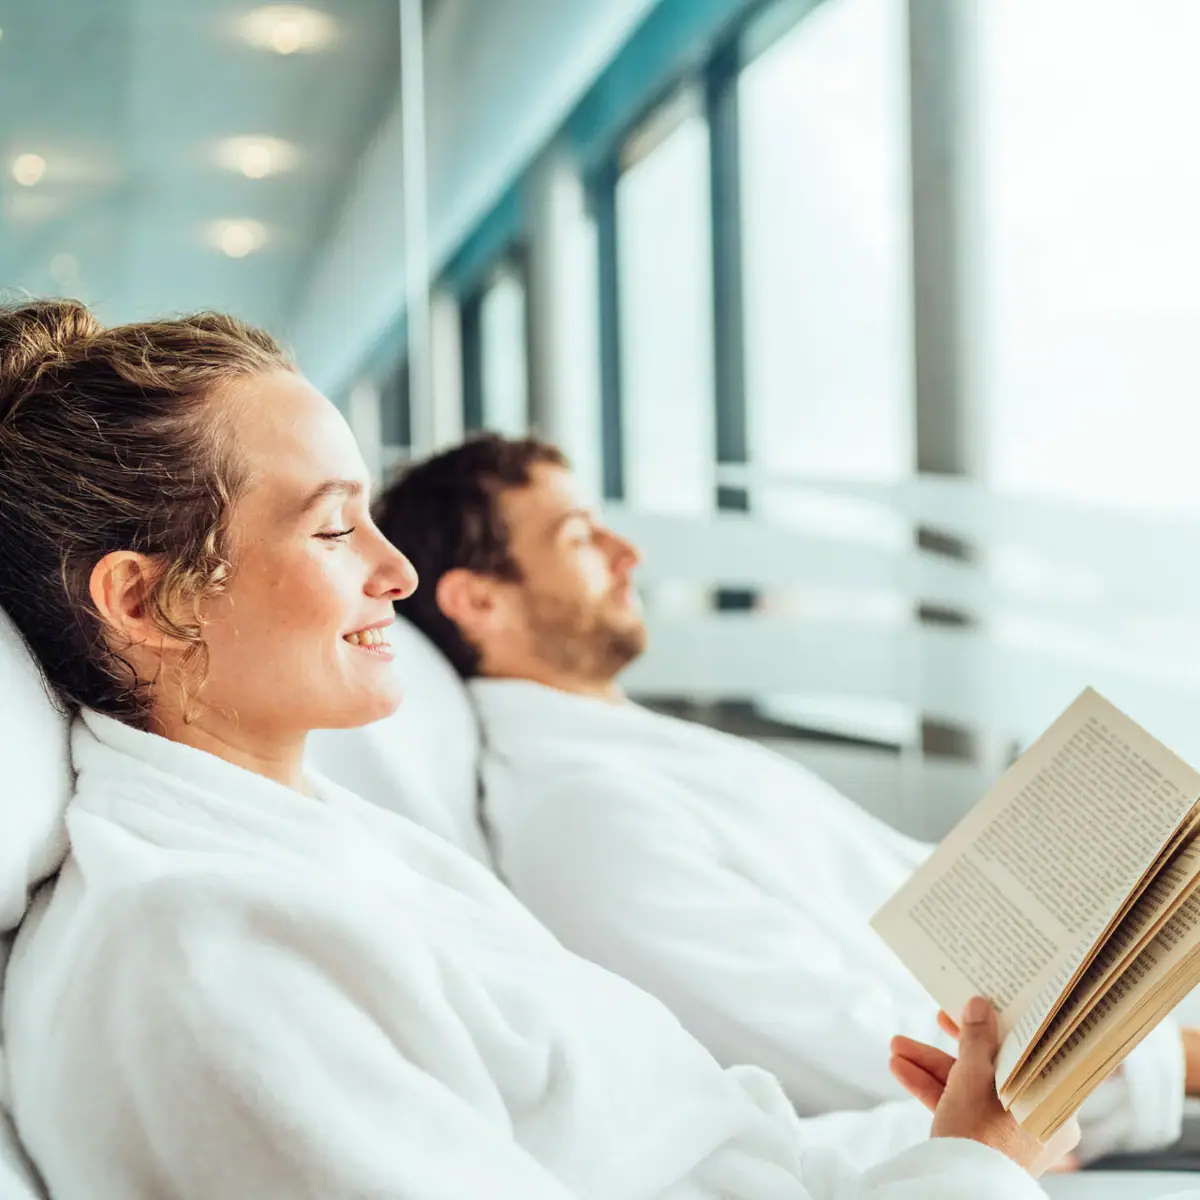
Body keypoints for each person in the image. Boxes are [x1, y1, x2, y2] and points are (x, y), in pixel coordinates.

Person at [0, 300, 1067, 1200]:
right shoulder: (203, 963)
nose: (397, 574)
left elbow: (686, 1160)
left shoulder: (320, 848)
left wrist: (944, 1148)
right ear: (146, 598)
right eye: (332, 529)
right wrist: (973, 1177)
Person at [376, 432, 1200, 1166]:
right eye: (580, 538)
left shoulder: (637, 753)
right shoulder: (581, 817)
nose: (628, 553)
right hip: (1103, 1096)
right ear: (479, 601)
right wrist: (1180, 1059)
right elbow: (858, 1052)